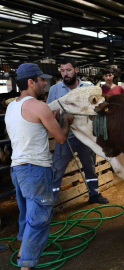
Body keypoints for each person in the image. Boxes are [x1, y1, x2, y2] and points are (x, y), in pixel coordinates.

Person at [5, 63, 74, 270]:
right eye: (41, 79)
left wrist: (46, 121)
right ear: (30, 82)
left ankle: (21, 249)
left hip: (18, 169)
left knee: (26, 213)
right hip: (36, 170)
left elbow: (28, 128)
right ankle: (26, 264)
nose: (45, 83)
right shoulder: (38, 106)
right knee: (39, 218)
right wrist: (66, 121)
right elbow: (61, 138)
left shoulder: (11, 106)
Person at [47, 58, 109, 204]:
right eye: (62, 71)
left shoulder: (88, 87)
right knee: (57, 170)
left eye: (68, 70)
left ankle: (94, 194)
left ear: (76, 70)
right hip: (65, 136)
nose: (65, 74)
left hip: (85, 136)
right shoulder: (54, 90)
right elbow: (47, 112)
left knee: (90, 167)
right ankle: (50, 202)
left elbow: (98, 109)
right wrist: (54, 117)